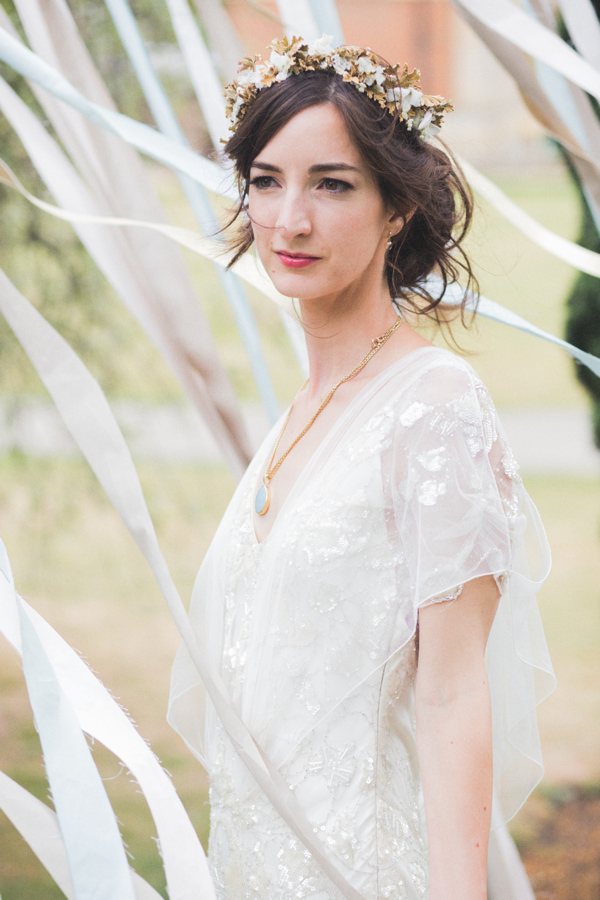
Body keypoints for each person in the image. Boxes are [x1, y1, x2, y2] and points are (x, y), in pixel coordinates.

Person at [168, 36, 555, 900]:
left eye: (331, 184)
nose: (288, 220)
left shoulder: (435, 409)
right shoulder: (305, 411)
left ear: (396, 210)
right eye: (266, 181)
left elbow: (453, 696)